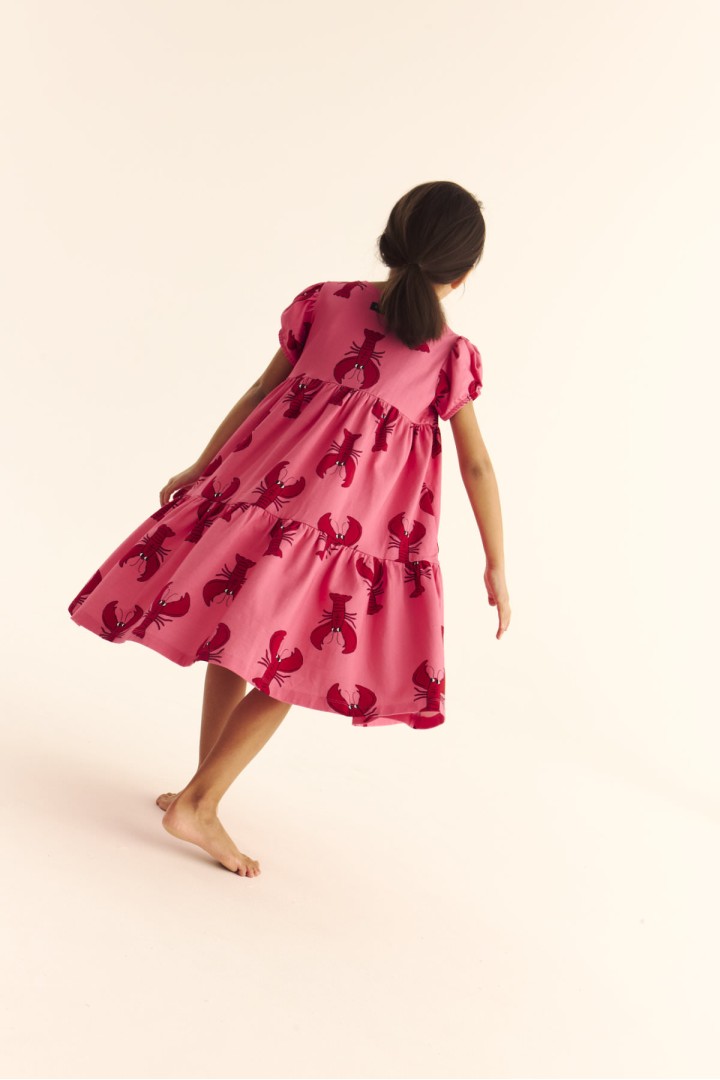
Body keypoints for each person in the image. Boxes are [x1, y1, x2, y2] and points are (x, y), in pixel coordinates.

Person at [67, 180, 511, 878]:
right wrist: (496, 562)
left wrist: (205, 463)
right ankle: (201, 803)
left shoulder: (327, 303)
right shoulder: (447, 356)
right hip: (339, 536)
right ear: (464, 272)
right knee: (287, 668)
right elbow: (476, 465)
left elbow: (260, 393)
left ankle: (200, 792)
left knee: (234, 637)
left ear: (392, 240)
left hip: (266, 499)